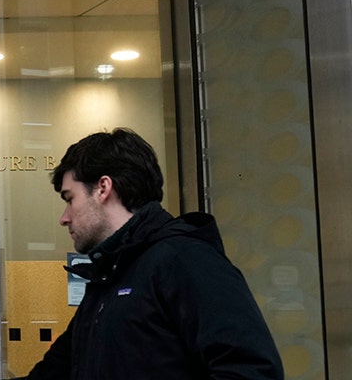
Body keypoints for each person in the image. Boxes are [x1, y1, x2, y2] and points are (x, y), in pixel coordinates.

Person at [19, 128, 283, 380]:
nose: (64, 218)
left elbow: (252, 370)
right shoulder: (108, 279)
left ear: (103, 188)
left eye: (70, 199)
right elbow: (54, 373)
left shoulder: (185, 260)